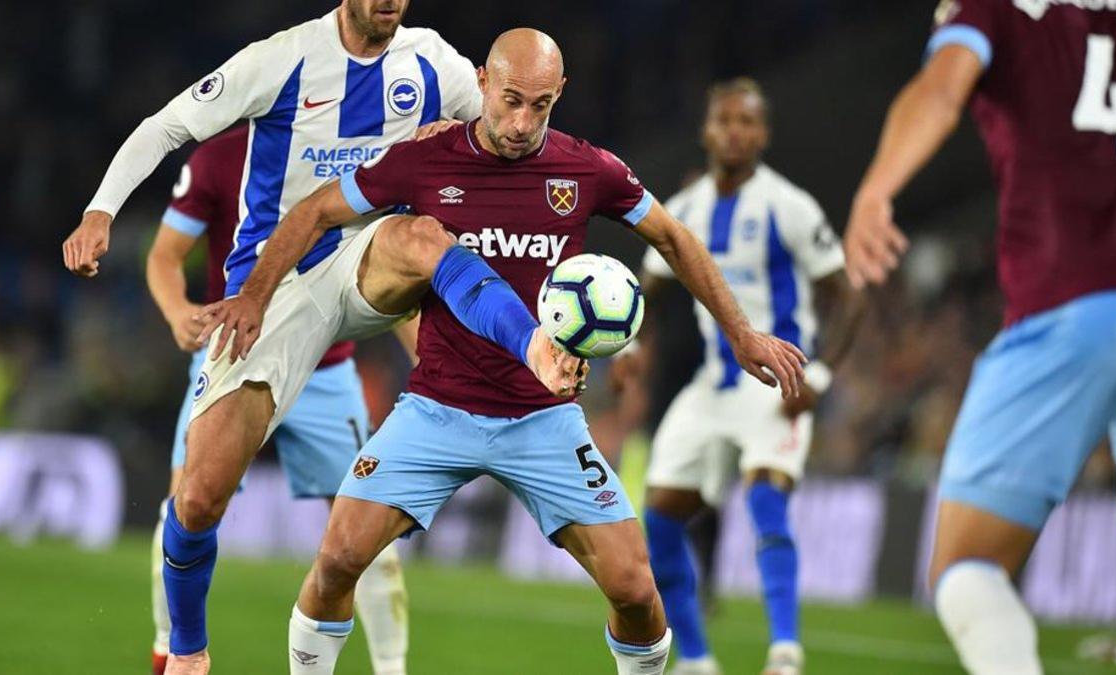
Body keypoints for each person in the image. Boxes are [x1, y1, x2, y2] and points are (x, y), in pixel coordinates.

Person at [199, 28, 807, 674]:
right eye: (511, 99)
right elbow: (316, 211)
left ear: (560, 95)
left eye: (540, 105)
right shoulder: (423, 161)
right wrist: (256, 295)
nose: (521, 122)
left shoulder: (585, 169)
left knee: (635, 588)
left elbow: (673, 235)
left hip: (542, 417)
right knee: (339, 557)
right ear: (482, 82)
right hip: (437, 408)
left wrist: (741, 332)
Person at [59, 2, 569, 672]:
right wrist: (101, 210)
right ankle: (185, 652)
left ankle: (530, 346)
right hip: (277, 288)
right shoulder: (282, 59)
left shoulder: (431, 59)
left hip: (372, 264)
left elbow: (508, 126)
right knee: (199, 496)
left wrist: (466, 134)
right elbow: (167, 125)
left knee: (421, 237)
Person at [844, 2, 1116, 673]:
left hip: (1071, 300)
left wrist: (877, 188)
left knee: (967, 564)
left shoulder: (995, 8)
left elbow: (941, 87)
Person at [614, 78, 865, 675]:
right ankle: (698, 660)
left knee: (764, 498)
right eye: (725, 120)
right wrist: (629, 347)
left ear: (764, 134)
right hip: (713, 387)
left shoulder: (790, 206)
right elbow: (650, 289)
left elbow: (847, 297)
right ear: (706, 131)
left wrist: (821, 375)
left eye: (747, 122)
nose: (735, 131)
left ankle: (785, 653)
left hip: (779, 387)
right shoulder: (688, 208)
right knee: (661, 517)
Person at [144, 125, 412, 675]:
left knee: (372, 541)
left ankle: (392, 669)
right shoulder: (221, 157)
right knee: (181, 514)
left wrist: (426, 357)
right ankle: (169, 656)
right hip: (234, 352)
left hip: (328, 368)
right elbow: (165, 256)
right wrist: (177, 314)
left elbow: (396, 270)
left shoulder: (357, 154)